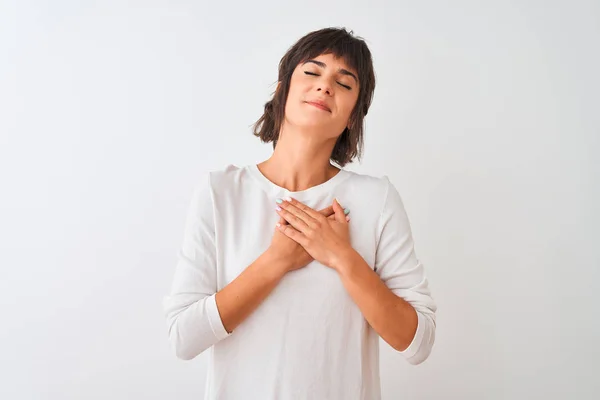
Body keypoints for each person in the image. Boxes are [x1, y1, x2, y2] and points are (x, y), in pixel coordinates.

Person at [162, 27, 437, 400]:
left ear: (354, 117)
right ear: (281, 91)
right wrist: (276, 261)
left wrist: (342, 256)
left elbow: (417, 343)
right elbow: (183, 337)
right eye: (312, 72)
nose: (325, 86)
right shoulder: (221, 193)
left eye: (344, 83)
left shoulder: (377, 199)